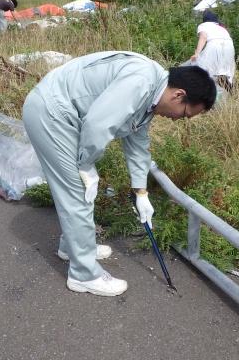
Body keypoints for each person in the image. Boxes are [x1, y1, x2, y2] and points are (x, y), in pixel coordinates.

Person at [22, 52, 216, 296]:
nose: (179, 120)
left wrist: (140, 191)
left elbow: (137, 143)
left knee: (82, 191)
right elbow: (98, 124)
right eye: (185, 114)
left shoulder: (151, 93)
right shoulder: (142, 80)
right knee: (77, 192)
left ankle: (73, 248)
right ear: (179, 95)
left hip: (63, 113)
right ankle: (84, 274)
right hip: (50, 113)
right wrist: (85, 165)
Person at [190, 11, 236, 89]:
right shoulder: (222, 27)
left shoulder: (203, 25)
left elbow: (203, 37)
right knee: (223, 72)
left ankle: (202, 90)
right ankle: (233, 93)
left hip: (215, 45)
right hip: (230, 47)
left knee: (203, 68)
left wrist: (197, 54)